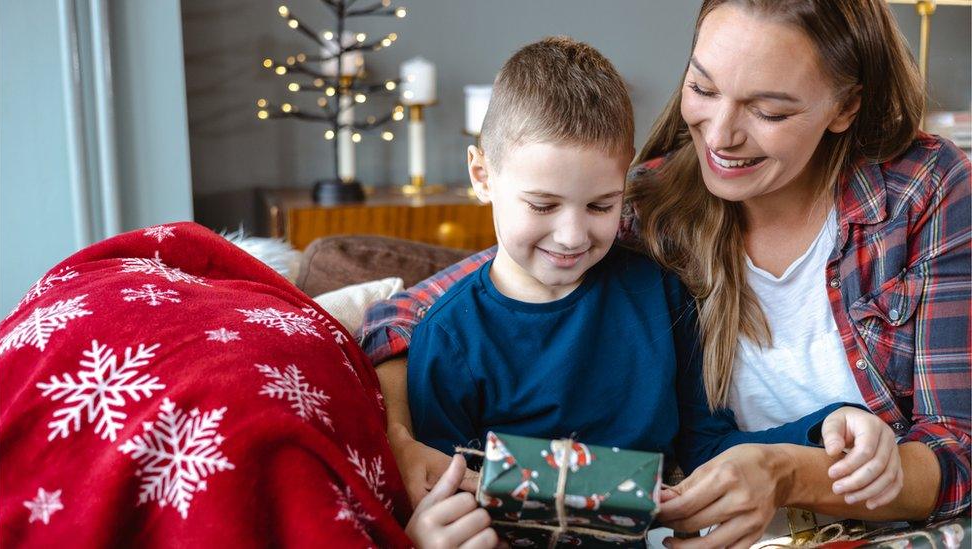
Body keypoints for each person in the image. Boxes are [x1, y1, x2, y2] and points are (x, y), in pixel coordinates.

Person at [360, 1, 971, 547]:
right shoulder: (649, 205)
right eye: (703, 88)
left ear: (846, 106)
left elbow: (958, 449)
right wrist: (398, 438)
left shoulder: (923, 190)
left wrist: (807, 453)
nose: (721, 136)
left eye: (768, 110)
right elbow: (429, 306)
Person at [407, 36, 882, 473]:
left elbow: (706, 449)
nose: (572, 236)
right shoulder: (448, 338)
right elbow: (447, 485)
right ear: (482, 175)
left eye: (601, 205)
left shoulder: (659, 292)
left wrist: (822, 428)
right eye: (543, 205)